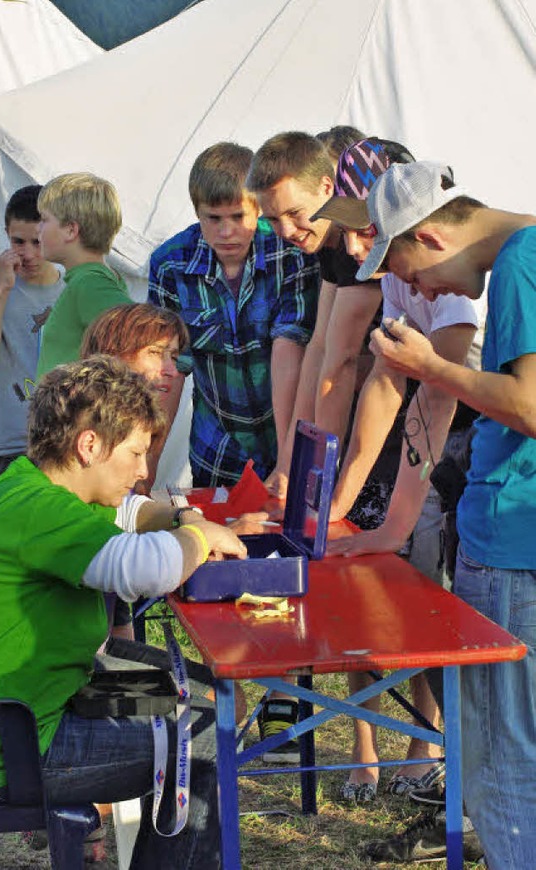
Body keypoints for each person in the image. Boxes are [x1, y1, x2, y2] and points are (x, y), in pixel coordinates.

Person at [0, 354, 247, 870]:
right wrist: (198, 535)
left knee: (194, 708)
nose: (144, 470)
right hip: (4, 750)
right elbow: (145, 569)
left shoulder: (31, 485)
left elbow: (128, 511)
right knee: (206, 734)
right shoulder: (42, 511)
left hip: (16, 718)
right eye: (137, 453)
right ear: (89, 444)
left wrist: (180, 512)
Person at [352, 159, 536, 870]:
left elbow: (526, 406)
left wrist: (433, 368)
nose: (418, 291)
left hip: (515, 540)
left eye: (408, 272)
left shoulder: (520, 263)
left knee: (503, 754)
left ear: (429, 235)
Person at [148, 141, 319, 490]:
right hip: (217, 447)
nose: (226, 232)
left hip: (288, 434)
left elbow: (291, 354)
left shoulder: (291, 254)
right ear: (197, 212)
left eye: (238, 217)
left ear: (257, 208)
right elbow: (168, 370)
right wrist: (149, 460)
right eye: (214, 218)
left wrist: (290, 459)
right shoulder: (170, 264)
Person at [247, 130, 384, 497]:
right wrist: (289, 463)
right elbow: (320, 347)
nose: (286, 231)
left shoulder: (348, 231)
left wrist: (314, 480)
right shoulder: (325, 235)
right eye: (273, 220)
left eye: (294, 213)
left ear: (328, 187)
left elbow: (340, 360)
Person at [0, 186, 65, 484]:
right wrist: (1, 290)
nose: (30, 254)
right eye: (18, 242)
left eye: (38, 241)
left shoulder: (73, 289)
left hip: (64, 444)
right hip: (10, 449)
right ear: (5, 235)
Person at [80, 302, 189, 493]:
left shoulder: (131, 426)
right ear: (113, 353)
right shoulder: (79, 425)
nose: (171, 370)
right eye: (154, 352)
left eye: (173, 357)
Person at [36, 172, 131, 378]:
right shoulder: (91, 279)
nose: (38, 229)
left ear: (71, 230)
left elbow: (133, 337)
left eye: (44, 220)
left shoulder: (90, 283)